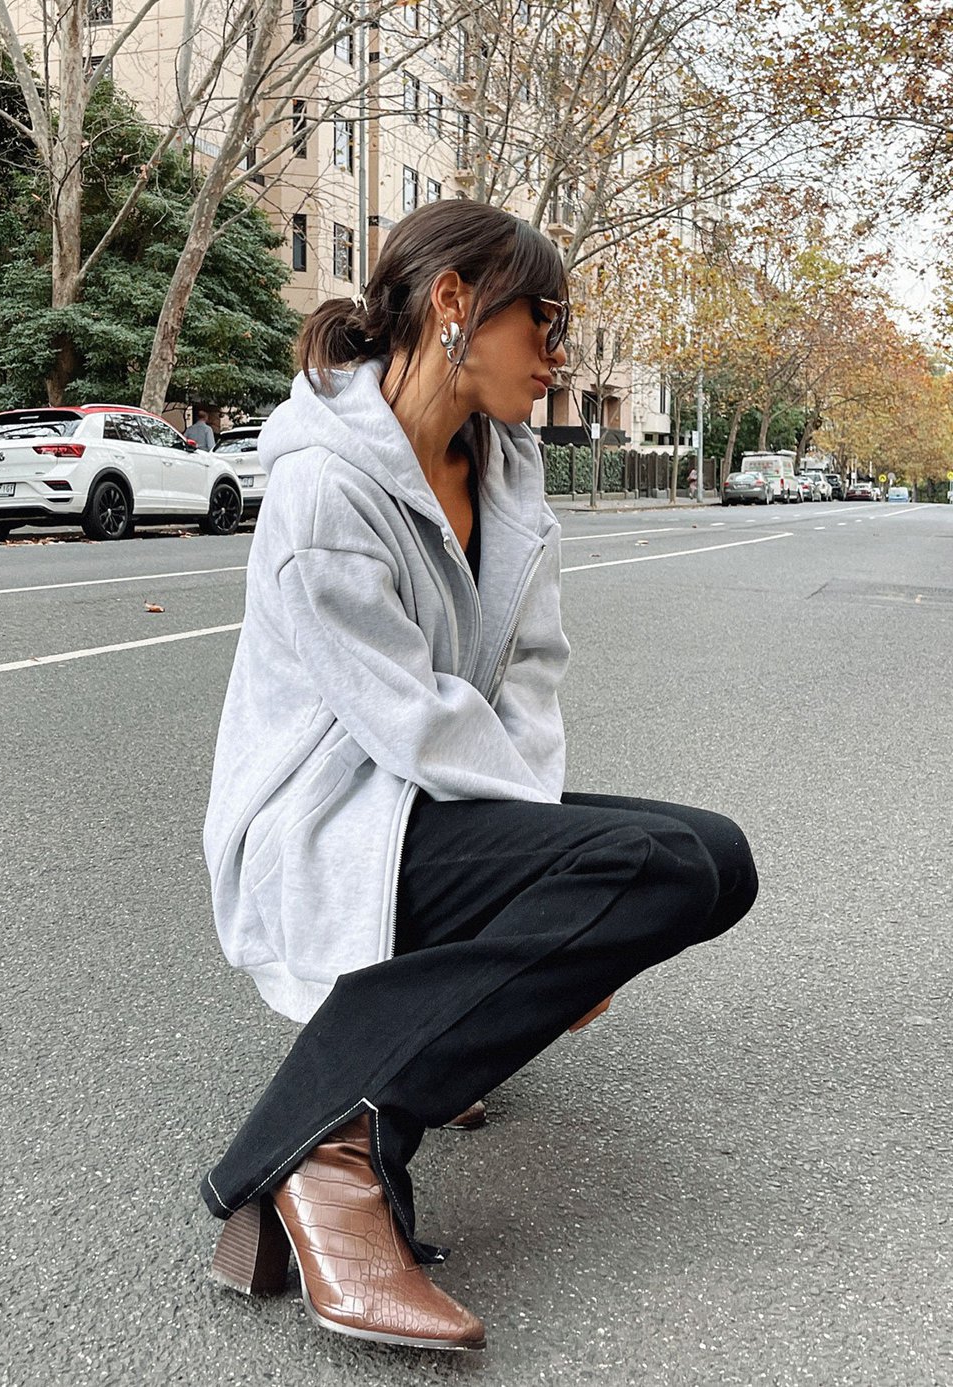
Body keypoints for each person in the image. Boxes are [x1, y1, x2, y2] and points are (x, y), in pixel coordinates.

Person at [200, 200, 758, 1353]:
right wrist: (555, 889)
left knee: (711, 859)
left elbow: (529, 680)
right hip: (328, 818)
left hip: (440, 801)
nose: (559, 357)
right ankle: (328, 1148)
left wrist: (556, 874)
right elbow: (405, 719)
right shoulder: (325, 484)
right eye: (545, 322)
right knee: (634, 872)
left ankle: (408, 1050)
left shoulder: (502, 467)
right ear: (454, 302)